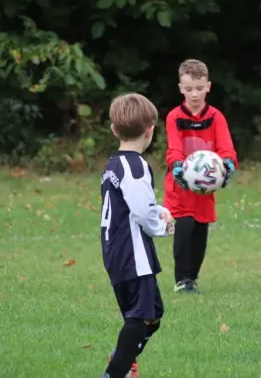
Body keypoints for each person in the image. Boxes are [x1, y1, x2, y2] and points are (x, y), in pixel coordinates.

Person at [99, 93, 175, 378]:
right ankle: (116, 371)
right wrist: (162, 226)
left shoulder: (114, 165)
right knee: (141, 317)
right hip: (132, 254)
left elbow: (131, 206)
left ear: (114, 130)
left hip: (118, 252)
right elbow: (143, 213)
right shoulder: (135, 165)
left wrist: (159, 210)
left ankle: (123, 357)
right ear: (150, 130)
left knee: (153, 314)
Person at [163, 58, 238, 294]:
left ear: (208, 86)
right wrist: (177, 166)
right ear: (180, 89)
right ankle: (182, 279)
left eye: (198, 88)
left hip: (205, 188)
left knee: (200, 232)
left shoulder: (216, 117)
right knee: (184, 228)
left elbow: (226, 148)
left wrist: (227, 165)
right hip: (180, 186)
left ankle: (192, 278)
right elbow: (173, 148)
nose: (194, 94)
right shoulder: (174, 117)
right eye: (188, 89)